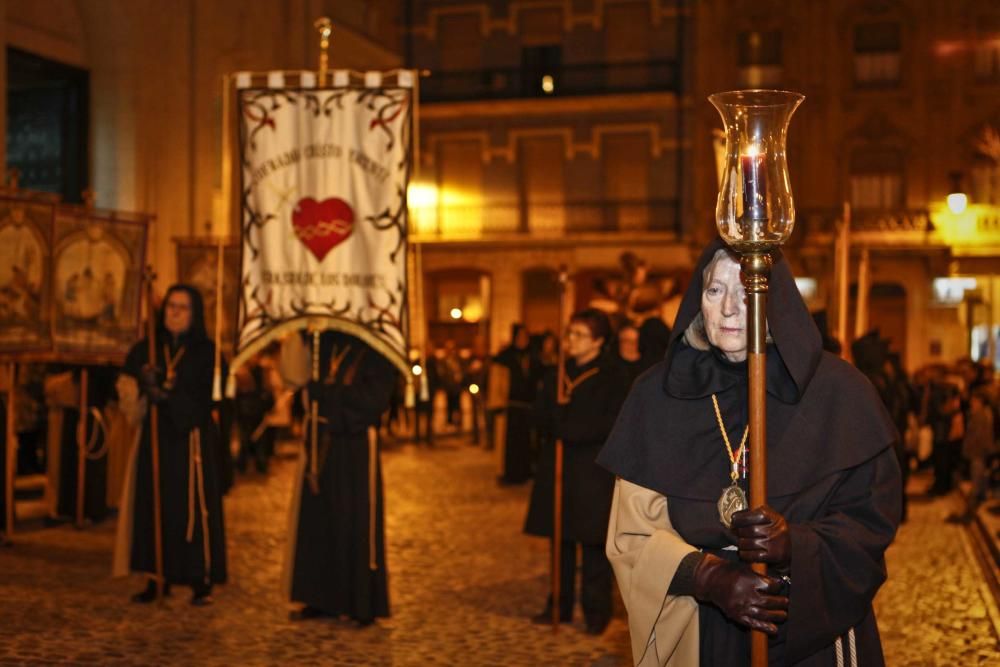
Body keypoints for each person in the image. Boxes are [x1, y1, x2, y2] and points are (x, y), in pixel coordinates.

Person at [599, 240, 902, 666]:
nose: (727, 310)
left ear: (775, 300)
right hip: (699, 627)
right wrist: (707, 576)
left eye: (746, 292)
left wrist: (797, 544)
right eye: (714, 291)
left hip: (812, 626)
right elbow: (630, 534)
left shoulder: (840, 393)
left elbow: (871, 522)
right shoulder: (656, 395)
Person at [113, 284, 228, 605]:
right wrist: (141, 386)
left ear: (195, 314)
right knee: (153, 506)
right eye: (170, 307)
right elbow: (127, 382)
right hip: (155, 440)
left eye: (182, 307)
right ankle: (155, 576)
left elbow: (207, 398)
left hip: (191, 442)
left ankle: (197, 577)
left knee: (188, 508)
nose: (174, 313)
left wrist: (165, 395)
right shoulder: (147, 348)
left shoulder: (207, 352)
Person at [285, 330, 398, 626]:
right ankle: (321, 597)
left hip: (354, 444)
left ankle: (359, 601)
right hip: (320, 441)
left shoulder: (376, 348)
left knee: (353, 518)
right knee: (320, 520)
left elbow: (374, 399)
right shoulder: (323, 341)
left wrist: (328, 397)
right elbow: (299, 383)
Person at [525, 308, 627, 635]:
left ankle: (597, 611)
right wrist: (554, 417)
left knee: (593, 545)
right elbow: (540, 415)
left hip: (591, 471)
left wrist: (568, 425)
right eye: (569, 334)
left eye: (578, 335)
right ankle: (559, 604)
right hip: (558, 469)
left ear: (598, 340)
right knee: (561, 541)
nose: (570, 340)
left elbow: (609, 423)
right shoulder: (558, 373)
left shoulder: (612, 376)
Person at [489, 324, 537, 484]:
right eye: (520, 336)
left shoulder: (532, 356)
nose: (523, 340)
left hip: (527, 407)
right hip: (510, 407)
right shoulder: (504, 357)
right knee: (508, 445)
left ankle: (523, 473)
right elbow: (496, 383)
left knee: (524, 444)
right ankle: (509, 474)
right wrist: (497, 404)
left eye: (526, 336)